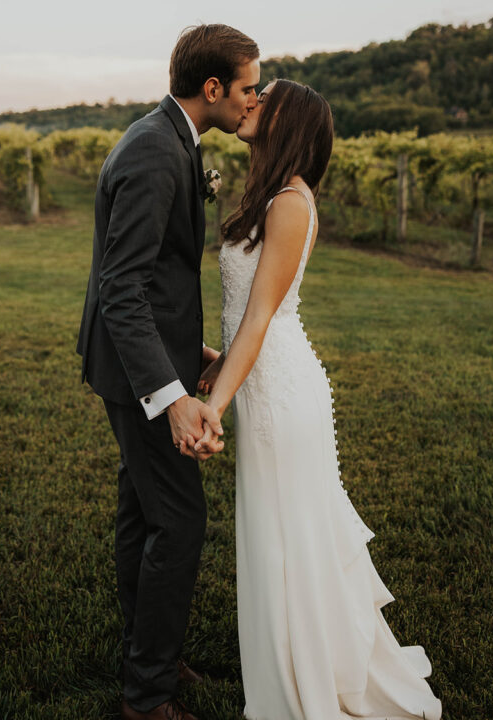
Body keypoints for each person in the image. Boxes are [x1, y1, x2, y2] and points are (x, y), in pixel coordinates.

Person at [195, 79, 443, 720]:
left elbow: (261, 321)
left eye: (264, 98)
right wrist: (221, 368)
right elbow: (245, 322)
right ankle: (286, 666)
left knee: (288, 542)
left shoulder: (291, 202)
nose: (250, 103)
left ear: (288, 122)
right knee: (273, 536)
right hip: (258, 380)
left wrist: (214, 407)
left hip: (281, 396)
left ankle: (303, 683)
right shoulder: (269, 195)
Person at [76, 23, 260, 720]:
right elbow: (121, 288)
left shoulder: (170, 136)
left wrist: (193, 359)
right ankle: (147, 695)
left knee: (142, 514)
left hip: (147, 358)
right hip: (137, 375)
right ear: (211, 89)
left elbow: (155, 282)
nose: (251, 100)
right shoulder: (156, 152)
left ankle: (146, 652)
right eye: (246, 88)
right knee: (178, 524)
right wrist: (172, 396)